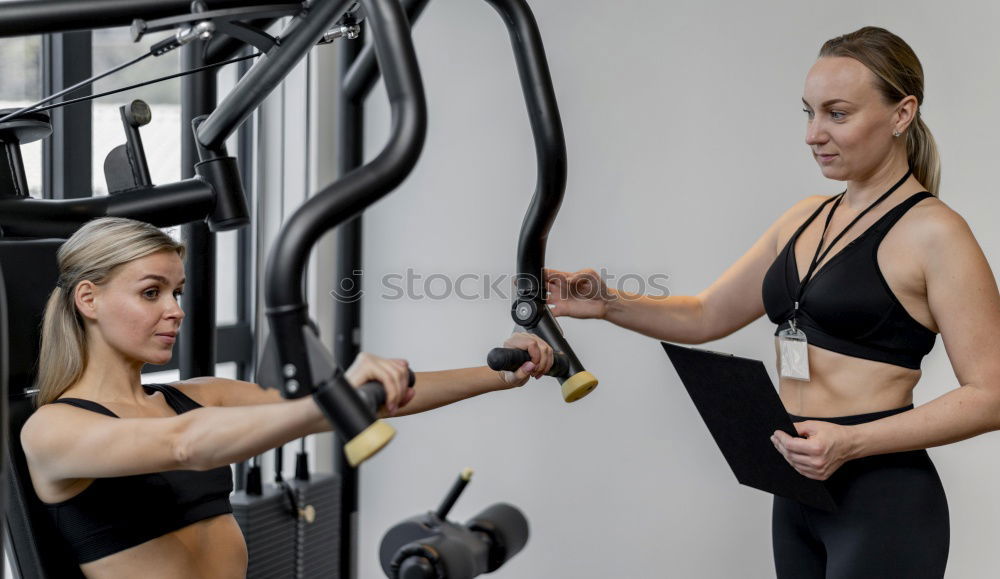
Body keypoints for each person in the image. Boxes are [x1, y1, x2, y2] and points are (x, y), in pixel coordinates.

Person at [546, 26, 1000, 578]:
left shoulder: (936, 233)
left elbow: (991, 395)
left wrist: (852, 441)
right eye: (808, 112)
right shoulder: (805, 216)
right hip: (796, 493)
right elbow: (706, 314)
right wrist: (608, 304)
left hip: (882, 500)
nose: (814, 133)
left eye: (837, 114)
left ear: (902, 114)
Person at [20, 216, 555, 579]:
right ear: (88, 298)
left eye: (177, 292)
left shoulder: (197, 395)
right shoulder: (53, 429)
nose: (175, 309)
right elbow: (185, 446)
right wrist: (334, 399)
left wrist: (502, 372)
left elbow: (388, 400)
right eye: (151, 292)